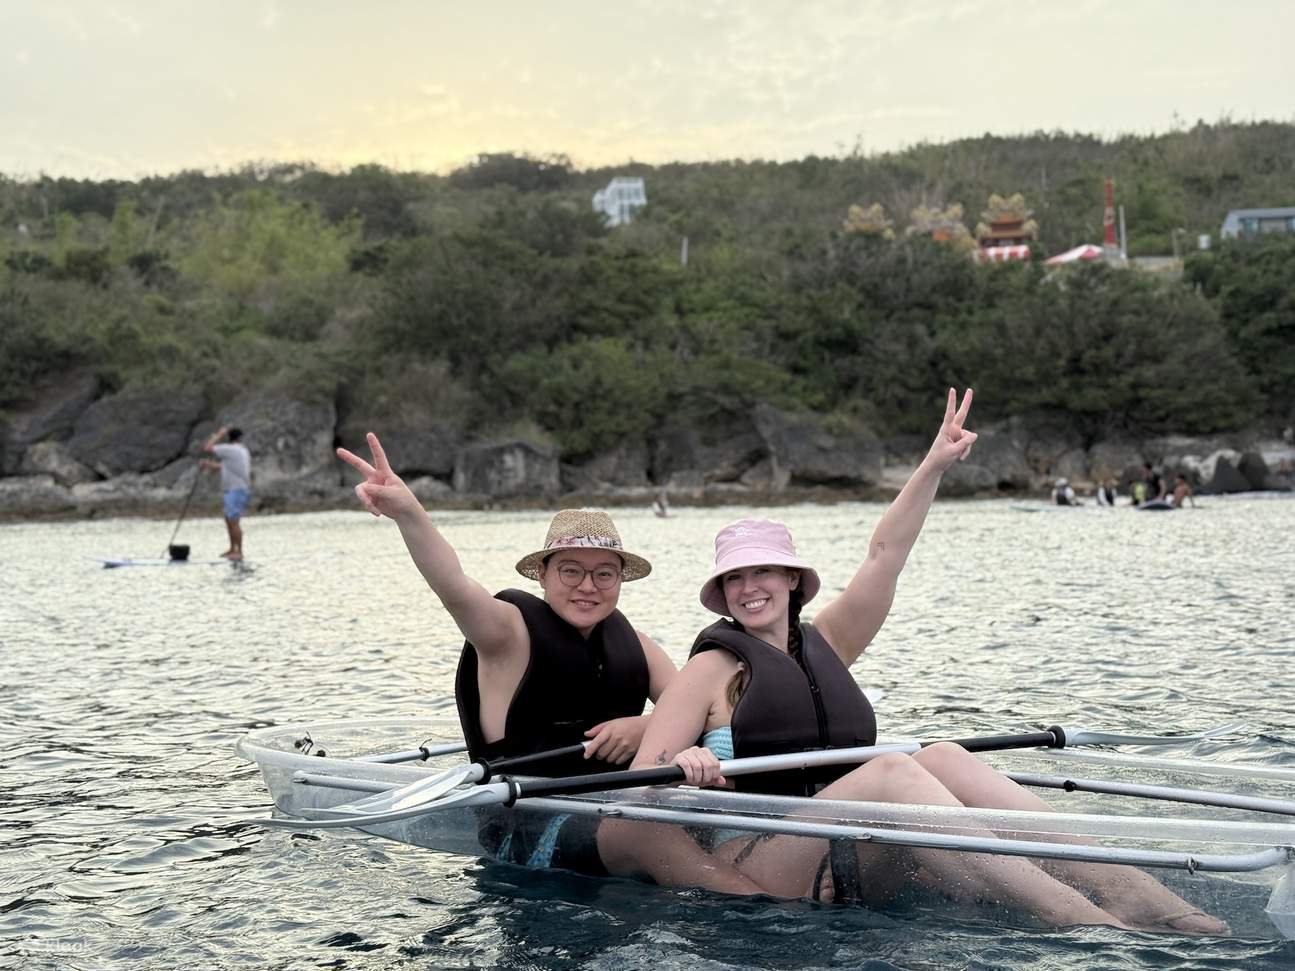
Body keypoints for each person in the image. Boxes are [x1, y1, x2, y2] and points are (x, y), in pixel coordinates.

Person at [614, 389, 1225, 933]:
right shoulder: (708, 671)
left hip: (846, 844)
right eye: (736, 578)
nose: (752, 587)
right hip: (759, 861)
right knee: (891, 773)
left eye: (764, 571)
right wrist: (688, 766)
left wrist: (933, 465)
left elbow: (885, 553)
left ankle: (1141, 896)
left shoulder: (826, 642)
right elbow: (635, 803)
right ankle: (1080, 918)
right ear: (722, 594)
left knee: (942, 756)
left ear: (792, 580)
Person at [337, 434, 758, 890]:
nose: (587, 586)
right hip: (527, 831)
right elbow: (453, 583)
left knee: (699, 814)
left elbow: (707, 714)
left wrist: (643, 727)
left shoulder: (635, 644)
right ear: (543, 574)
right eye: (571, 570)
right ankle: (763, 910)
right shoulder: (505, 634)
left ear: (619, 580)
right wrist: (409, 513)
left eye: (604, 573)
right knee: (648, 831)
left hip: (614, 810)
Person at [203, 426, 251, 560]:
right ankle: (232, 549)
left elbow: (208, 448)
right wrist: (209, 465)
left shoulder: (230, 449)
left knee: (234, 521)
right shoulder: (242, 451)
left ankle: (239, 552)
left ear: (229, 438)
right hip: (237, 490)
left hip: (236, 490)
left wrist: (219, 435)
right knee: (229, 519)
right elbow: (226, 467)